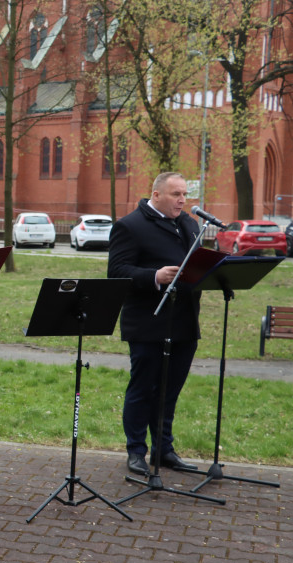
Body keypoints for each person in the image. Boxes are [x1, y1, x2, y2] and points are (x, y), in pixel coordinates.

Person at [108, 171, 202, 476]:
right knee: (143, 389)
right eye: (176, 194)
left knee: (169, 391)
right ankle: (136, 450)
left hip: (184, 322)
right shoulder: (130, 226)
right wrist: (154, 276)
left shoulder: (189, 224)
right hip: (148, 323)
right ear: (157, 195)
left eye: (185, 194)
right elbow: (116, 271)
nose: (182, 200)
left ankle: (164, 449)